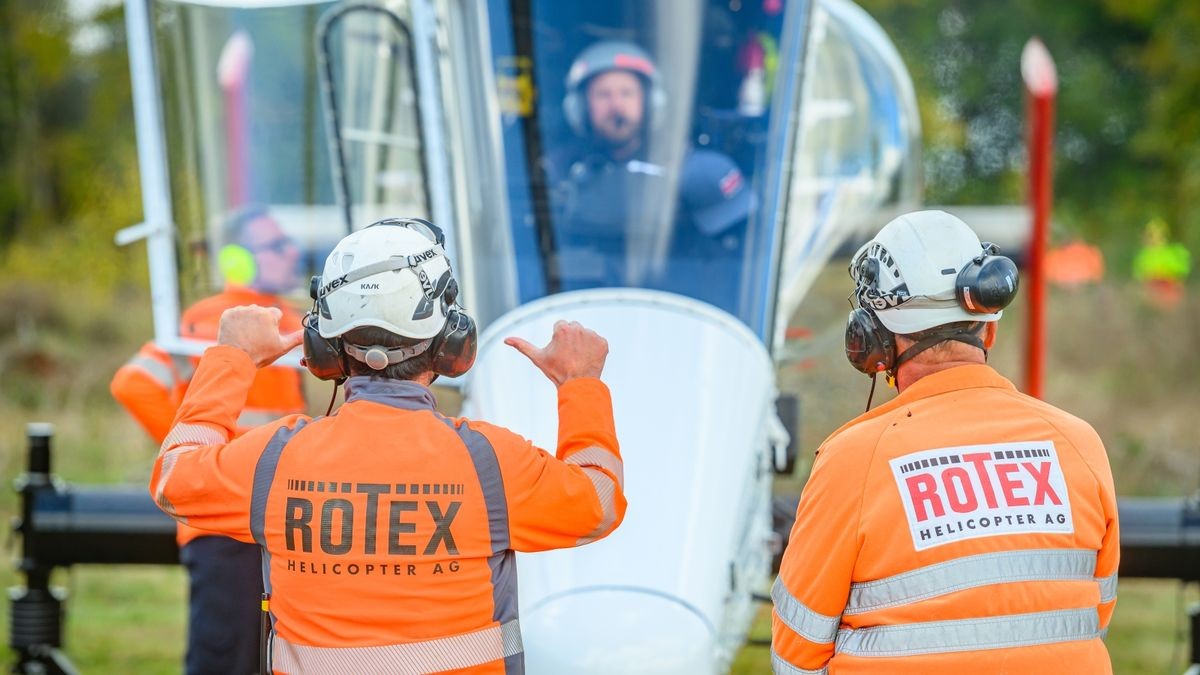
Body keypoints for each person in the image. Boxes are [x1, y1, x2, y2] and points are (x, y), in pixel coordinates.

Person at [147, 217, 626, 673]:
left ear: (324, 349)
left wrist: (233, 358)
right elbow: (598, 503)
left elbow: (174, 478)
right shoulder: (490, 464)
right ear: (450, 342)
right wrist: (580, 383)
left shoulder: (273, 459)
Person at [771, 210, 1119, 673]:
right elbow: (1093, 613)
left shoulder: (853, 460)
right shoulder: (1079, 443)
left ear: (873, 343)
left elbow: (797, 649)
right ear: (989, 328)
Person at [111, 205, 306, 674]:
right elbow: (133, 383)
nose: (292, 253)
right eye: (276, 245)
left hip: (272, 520)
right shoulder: (212, 321)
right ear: (238, 259)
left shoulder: (286, 317)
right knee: (223, 659)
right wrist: (212, 462)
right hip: (224, 525)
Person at [547, 40, 755, 295]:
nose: (616, 105)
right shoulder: (557, 173)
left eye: (627, 93)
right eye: (603, 95)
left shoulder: (698, 173)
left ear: (651, 102)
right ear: (579, 107)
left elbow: (738, 271)